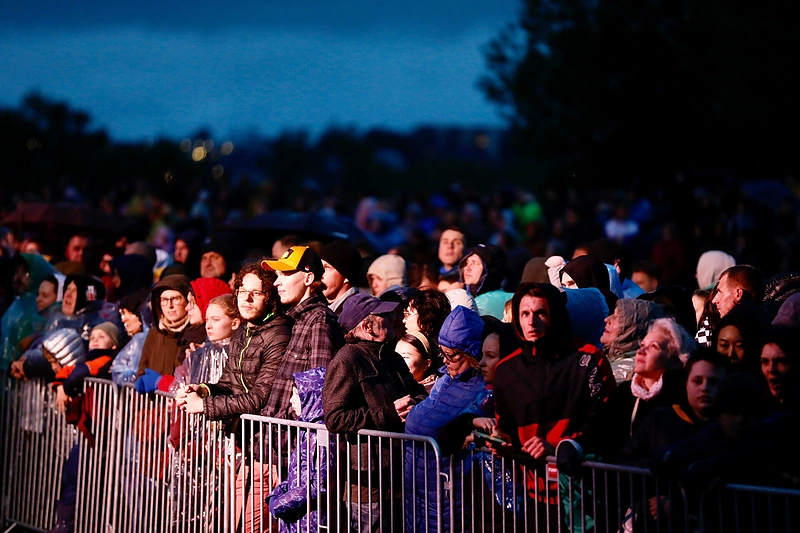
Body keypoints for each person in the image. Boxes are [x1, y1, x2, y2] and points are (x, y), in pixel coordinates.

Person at [176, 263, 292, 533]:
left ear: (271, 296)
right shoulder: (245, 331)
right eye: (242, 291)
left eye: (256, 293)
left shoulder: (279, 333)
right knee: (235, 522)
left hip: (271, 450)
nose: (246, 298)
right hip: (248, 447)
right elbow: (229, 381)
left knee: (254, 525)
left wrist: (204, 406)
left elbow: (261, 396)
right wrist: (202, 389)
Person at [490, 282, 613, 531]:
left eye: (540, 313)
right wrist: (498, 440)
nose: (531, 321)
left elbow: (606, 422)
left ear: (554, 315)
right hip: (535, 493)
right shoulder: (506, 370)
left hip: (584, 490)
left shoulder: (587, 359)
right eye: (524, 314)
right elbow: (505, 425)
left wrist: (558, 446)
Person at [322, 292, 427, 533]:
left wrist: (416, 403)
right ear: (367, 326)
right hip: (370, 484)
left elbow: (417, 391)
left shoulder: (391, 356)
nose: (392, 318)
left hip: (403, 475)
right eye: (384, 315)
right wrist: (389, 413)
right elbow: (335, 418)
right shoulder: (346, 360)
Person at [404, 305, 492, 533]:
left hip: (450, 488)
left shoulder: (481, 388)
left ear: (471, 353)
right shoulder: (445, 379)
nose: (445, 361)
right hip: (418, 485)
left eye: (451, 355)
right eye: (442, 353)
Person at [260, 246, 345, 421]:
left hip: (292, 441)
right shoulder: (301, 319)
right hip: (279, 437)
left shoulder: (320, 321)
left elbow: (316, 395)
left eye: (285, 274)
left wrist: (282, 426)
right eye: (277, 275)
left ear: (308, 278)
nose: (277, 282)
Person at [267, 367, 332, 533]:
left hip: (310, 521)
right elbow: (296, 475)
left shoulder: (321, 436)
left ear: (311, 397)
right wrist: (278, 492)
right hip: (295, 517)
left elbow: (318, 485)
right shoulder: (306, 429)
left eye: (296, 394)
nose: (290, 401)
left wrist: (280, 503)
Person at [135, 274, 206, 392]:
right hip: (155, 406)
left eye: (176, 298)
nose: (170, 305)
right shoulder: (155, 333)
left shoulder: (196, 332)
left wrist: (162, 383)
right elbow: (142, 369)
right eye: (164, 300)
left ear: (186, 301)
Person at [601, 299, 665, 382]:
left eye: (618, 317)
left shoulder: (625, 372)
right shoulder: (610, 358)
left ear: (635, 330)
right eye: (613, 314)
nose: (607, 319)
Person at [458, 244, 513, 320]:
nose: (467, 268)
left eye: (475, 263)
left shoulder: (476, 306)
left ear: (490, 270)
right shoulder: (515, 299)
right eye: (466, 262)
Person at [110, 288, 150, 385]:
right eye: (121, 314)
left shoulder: (143, 340)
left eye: (125, 313)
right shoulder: (132, 342)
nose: (123, 319)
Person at [318, 239, 363, 315]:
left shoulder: (358, 311)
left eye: (327, 268)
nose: (319, 273)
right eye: (318, 267)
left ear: (346, 276)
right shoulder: (320, 306)